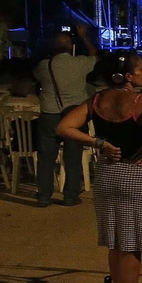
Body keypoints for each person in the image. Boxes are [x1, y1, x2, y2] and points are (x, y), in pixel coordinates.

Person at [56, 51, 142, 283]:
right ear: (129, 77)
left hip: (107, 175)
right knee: (132, 246)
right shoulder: (140, 101)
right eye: (141, 69)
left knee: (116, 240)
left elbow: (65, 127)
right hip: (135, 174)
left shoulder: (96, 100)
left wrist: (99, 144)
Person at [33, 26, 97, 207]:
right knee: (73, 156)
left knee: (46, 158)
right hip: (74, 116)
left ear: (53, 47)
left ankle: (44, 196)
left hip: (49, 115)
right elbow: (95, 55)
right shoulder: (81, 63)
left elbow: (36, 77)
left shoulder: (45, 66)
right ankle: (70, 195)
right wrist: (84, 38)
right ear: (70, 46)